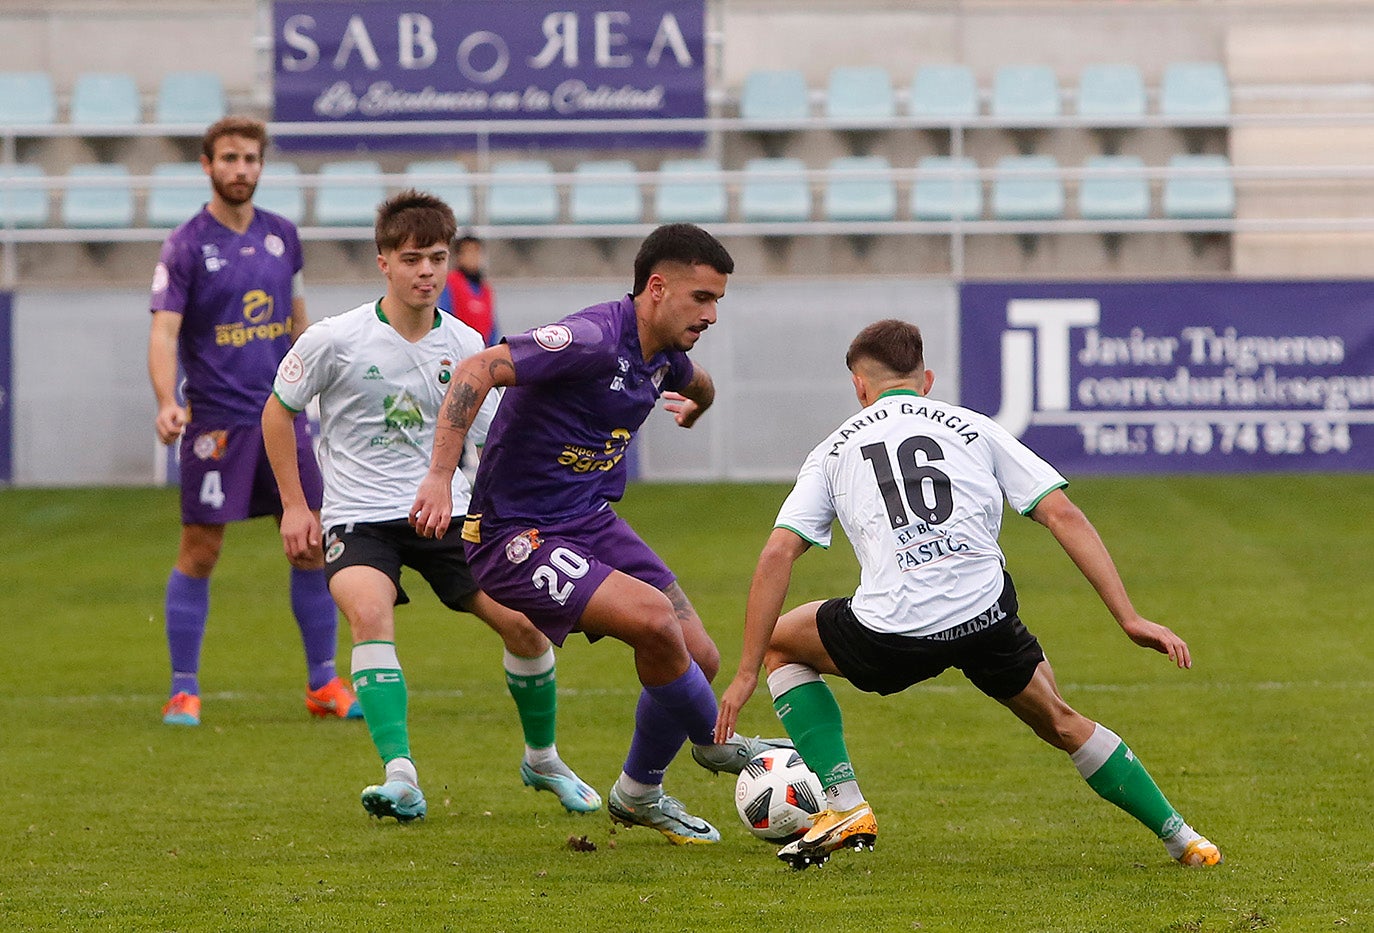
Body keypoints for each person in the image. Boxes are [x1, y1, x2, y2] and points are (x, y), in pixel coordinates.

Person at [714, 319, 1223, 871]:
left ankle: (843, 803)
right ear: (926, 379)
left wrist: (744, 674)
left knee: (782, 645)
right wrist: (1129, 616)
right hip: (986, 618)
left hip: (894, 633)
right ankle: (1185, 839)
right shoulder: (975, 428)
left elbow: (777, 555)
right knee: (1060, 720)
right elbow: (1061, 513)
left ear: (860, 388)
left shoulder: (834, 449)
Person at [409, 223, 790, 845]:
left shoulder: (664, 354)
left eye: (719, 300)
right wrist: (438, 475)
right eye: (703, 298)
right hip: (514, 533)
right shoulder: (588, 339)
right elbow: (477, 368)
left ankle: (638, 793)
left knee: (700, 656)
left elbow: (699, 383)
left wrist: (699, 405)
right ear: (658, 288)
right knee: (654, 620)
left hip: (588, 519)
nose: (713, 314)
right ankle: (721, 745)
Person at [262, 190, 599, 822]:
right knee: (369, 611)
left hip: (449, 512)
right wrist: (294, 506)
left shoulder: (467, 345)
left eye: (437, 258)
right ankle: (402, 776)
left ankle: (543, 758)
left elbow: (496, 437)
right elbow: (277, 413)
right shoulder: (335, 339)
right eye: (412, 257)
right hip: (359, 517)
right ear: (383, 261)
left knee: (525, 626)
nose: (426, 271)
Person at [147, 115, 358, 727]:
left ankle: (323, 682)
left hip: (284, 419)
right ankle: (183, 687)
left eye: (250, 159)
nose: (241, 169)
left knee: (310, 543)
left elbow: (298, 323)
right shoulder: (185, 245)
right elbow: (164, 332)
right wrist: (167, 399)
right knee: (201, 549)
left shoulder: (283, 236)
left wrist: (318, 393)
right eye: (229, 159)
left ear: (261, 166)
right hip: (217, 424)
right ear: (207, 166)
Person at [439, 232, 500, 347]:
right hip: (458, 352)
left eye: (476, 251)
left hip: (482, 354)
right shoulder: (450, 283)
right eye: (468, 252)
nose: (473, 257)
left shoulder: (486, 288)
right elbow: (444, 318)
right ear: (459, 256)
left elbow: (492, 328)